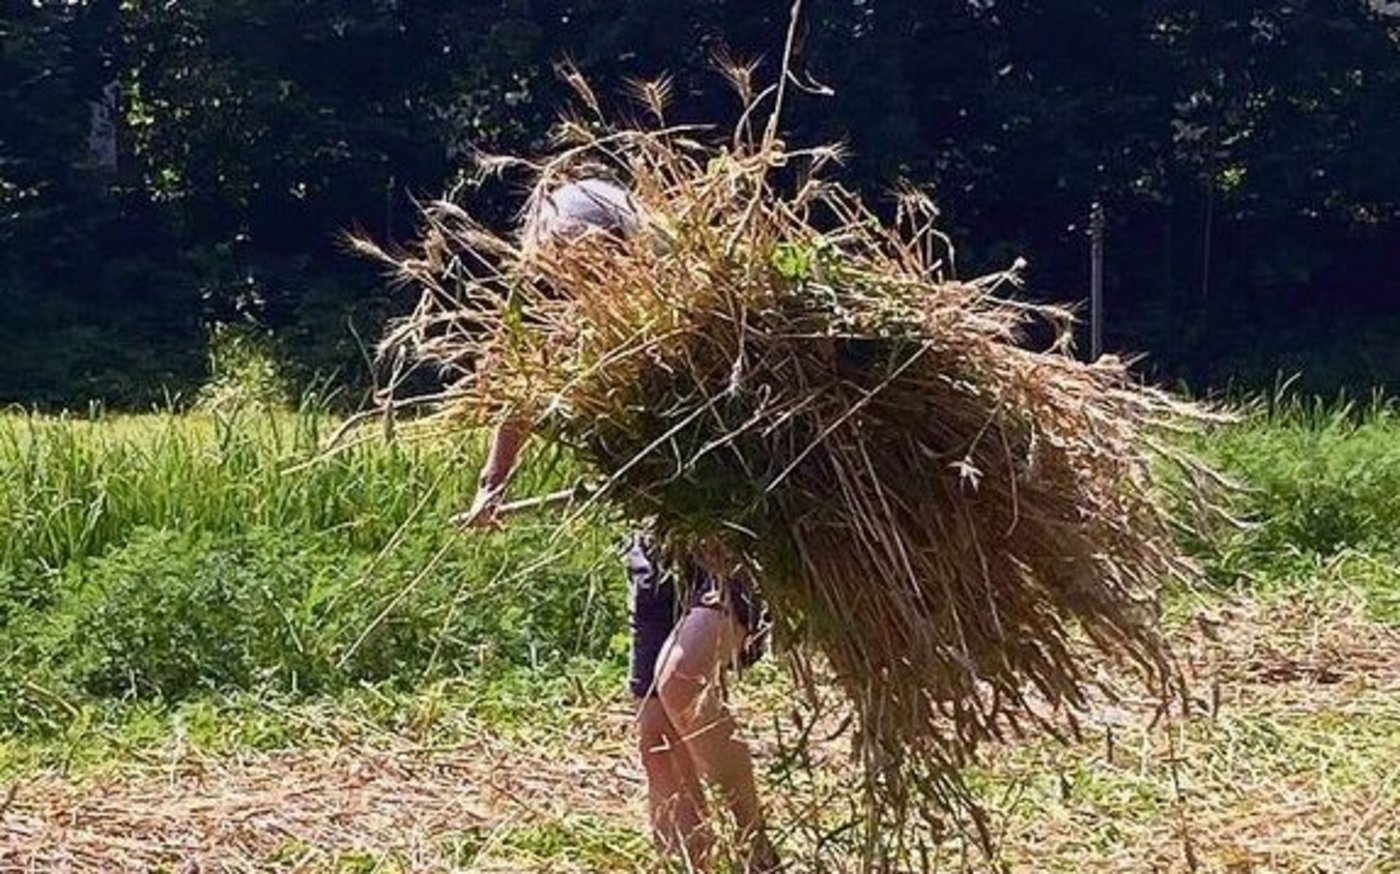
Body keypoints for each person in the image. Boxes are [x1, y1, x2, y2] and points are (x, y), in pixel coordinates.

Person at [463, 178, 779, 872]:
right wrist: (494, 480)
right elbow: (518, 389)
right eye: (557, 264)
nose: (572, 275)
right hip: (658, 541)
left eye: (585, 257)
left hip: (735, 540)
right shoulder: (566, 328)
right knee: (654, 734)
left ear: (622, 247)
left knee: (682, 684)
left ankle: (757, 853)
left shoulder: (694, 313)